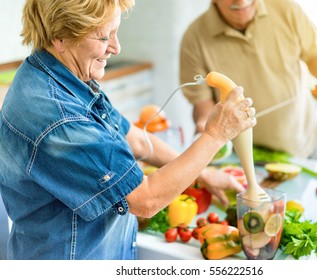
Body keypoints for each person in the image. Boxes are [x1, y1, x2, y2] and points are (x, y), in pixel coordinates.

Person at [0, 0, 256, 260]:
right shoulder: (58, 117)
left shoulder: (59, 75)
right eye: (103, 36)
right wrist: (215, 134)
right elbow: (145, 200)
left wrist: (205, 175)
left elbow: (135, 139)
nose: (116, 47)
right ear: (60, 37)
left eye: (115, 32)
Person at [180, 0, 317, 159]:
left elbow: (314, 54)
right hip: (239, 157)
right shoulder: (194, 38)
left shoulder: (287, 9)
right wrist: (205, 130)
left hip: (301, 145)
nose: (242, 2)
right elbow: (203, 106)